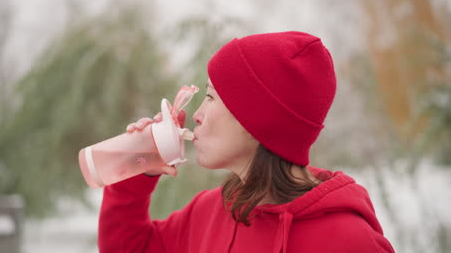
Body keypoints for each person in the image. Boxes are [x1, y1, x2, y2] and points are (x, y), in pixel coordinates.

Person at [98, 31, 395, 253]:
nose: (197, 115)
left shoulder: (348, 241)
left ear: (257, 120)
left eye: (211, 98)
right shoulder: (213, 210)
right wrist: (136, 168)